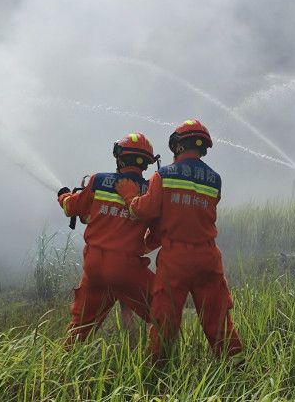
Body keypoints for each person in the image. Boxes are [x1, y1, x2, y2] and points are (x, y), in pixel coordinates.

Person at [116, 119, 243, 361]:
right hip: (208, 256)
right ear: (203, 148)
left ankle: (156, 370)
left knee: (165, 318)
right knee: (217, 316)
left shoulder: (163, 175)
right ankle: (236, 367)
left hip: (176, 258)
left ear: (178, 146)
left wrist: (129, 195)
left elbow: (145, 211)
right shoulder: (215, 179)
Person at [56, 132, 160, 343]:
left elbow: (72, 207)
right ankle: (163, 363)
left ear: (119, 157)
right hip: (127, 267)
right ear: (147, 163)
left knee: (80, 327)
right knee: (163, 310)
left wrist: (63, 195)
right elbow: (157, 234)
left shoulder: (98, 181)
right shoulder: (150, 193)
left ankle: (63, 367)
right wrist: (142, 248)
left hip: (94, 266)